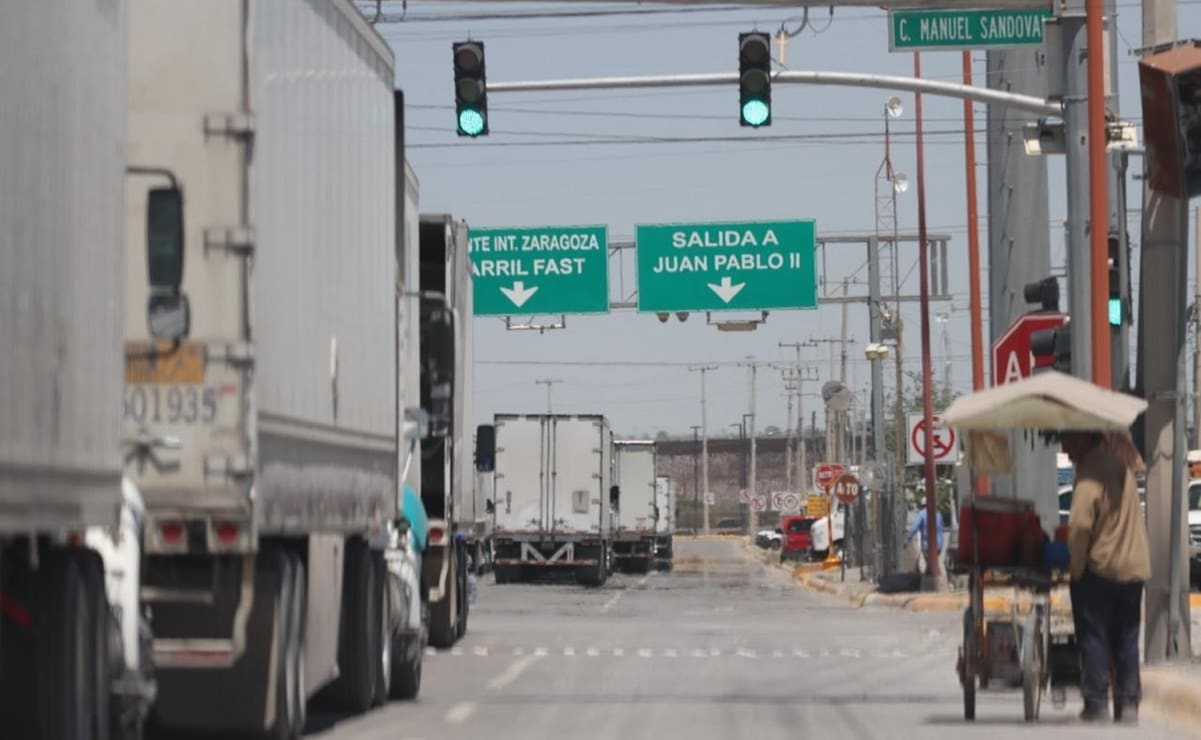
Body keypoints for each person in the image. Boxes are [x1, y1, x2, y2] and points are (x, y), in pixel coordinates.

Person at [1062, 431, 1151, 723]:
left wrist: (1075, 569)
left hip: (1102, 568)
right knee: (1127, 637)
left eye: (1068, 440)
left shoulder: (1089, 475)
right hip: (1133, 568)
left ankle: (1096, 703)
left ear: (1084, 440)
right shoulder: (1118, 466)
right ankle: (1128, 705)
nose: (1065, 447)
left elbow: (1078, 528)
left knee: (1094, 634)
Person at [906, 504, 945, 574]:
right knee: (932, 564)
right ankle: (933, 576)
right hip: (939, 545)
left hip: (928, 546)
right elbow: (942, 527)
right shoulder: (938, 513)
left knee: (931, 566)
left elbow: (914, 527)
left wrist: (907, 538)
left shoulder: (922, 513)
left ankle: (936, 579)